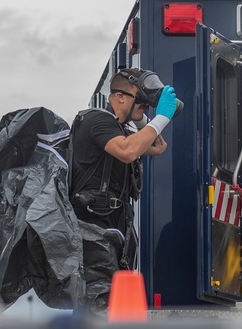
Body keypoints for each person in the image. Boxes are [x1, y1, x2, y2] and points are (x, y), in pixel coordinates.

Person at [69, 68, 177, 274]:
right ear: (119, 97)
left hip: (111, 229)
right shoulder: (97, 120)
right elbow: (128, 151)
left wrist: (142, 117)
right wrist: (161, 116)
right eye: (139, 99)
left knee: (113, 300)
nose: (143, 105)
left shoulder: (121, 130)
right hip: (92, 229)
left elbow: (159, 145)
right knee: (98, 301)